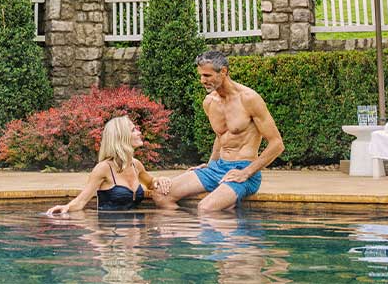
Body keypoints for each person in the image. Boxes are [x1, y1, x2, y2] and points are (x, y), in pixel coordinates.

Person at [151, 50, 284, 213]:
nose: (202, 80)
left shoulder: (249, 99)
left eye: (207, 75)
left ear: (223, 72)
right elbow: (220, 136)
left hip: (243, 169)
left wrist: (246, 173)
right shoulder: (209, 102)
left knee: (205, 208)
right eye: (200, 75)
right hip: (217, 168)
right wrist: (211, 163)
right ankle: (188, 231)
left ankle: (230, 234)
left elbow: (277, 144)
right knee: (161, 194)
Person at [46, 116, 172, 215]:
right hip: (112, 235)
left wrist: (159, 180)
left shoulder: (136, 165)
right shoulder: (104, 168)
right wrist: (66, 207)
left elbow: (150, 183)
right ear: (121, 137)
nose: (139, 132)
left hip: (135, 237)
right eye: (133, 130)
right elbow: (81, 201)